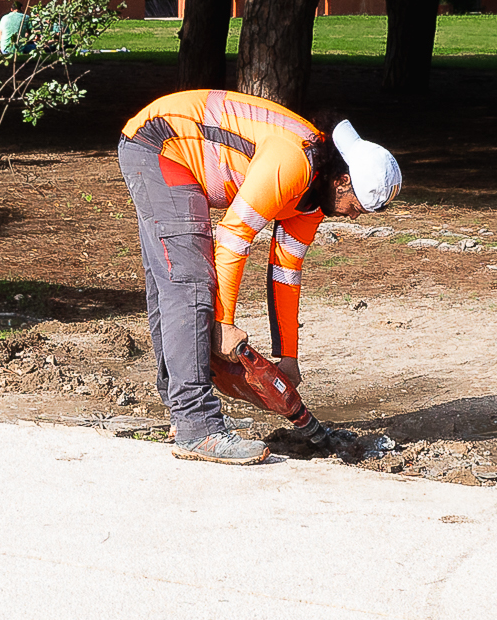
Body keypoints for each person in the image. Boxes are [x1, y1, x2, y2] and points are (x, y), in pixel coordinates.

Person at [119, 90, 403, 464]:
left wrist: (287, 356)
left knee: (172, 283)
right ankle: (197, 426)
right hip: (160, 144)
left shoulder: (312, 199)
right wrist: (223, 323)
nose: (354, 216)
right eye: (359, 208)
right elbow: (233, 236)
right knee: (188, 282)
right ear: (344, 181)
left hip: (164, 148)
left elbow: (286, 272)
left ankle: (182, 410)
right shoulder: (294, 162)